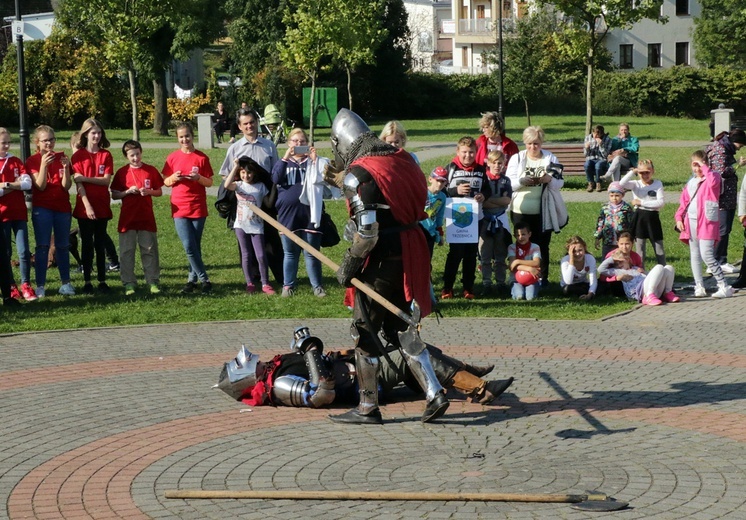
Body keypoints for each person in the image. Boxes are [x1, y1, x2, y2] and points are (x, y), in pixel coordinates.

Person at [323, 108, 451, 424]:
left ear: (342, 142)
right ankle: (434, 393)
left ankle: (367, 407)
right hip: (410, 252)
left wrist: (350, 265)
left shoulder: (359, 173)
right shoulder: (403, 159)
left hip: (380, 260)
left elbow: (368, 232)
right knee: (401, 328)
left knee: (364, 329)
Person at [216, 326, 513, 409]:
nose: (253, 357)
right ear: (243, 377)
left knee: (419, 350)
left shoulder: (274, 369)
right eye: (246, 362)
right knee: (413, 352)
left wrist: (313, 350)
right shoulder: (278, 385)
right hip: (364, 382)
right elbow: (321, 395)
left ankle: (469, 374)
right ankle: (481, 388)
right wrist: (310, 351)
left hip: (360, 366)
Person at [219, 106, 282, 283]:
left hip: (265, 201)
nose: (249, 126)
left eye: (252, 122)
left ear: (257, 123)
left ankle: (280, 276)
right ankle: (253, 278)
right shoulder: (235, 149)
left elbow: (276, 173)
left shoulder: (269, 146)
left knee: (271, 240)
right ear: (239, 127)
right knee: (246, 242)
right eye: (245, 124)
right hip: (244, 205)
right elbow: (225, 174)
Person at [505, 126, 566, 286]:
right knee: (521, 243)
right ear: (525, 143)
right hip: (520, 209)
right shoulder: (517, 158)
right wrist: (521, 181)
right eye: (530, 143)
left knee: (542, 244)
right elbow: (508, 183)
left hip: (543, 210)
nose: (533, 147)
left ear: (541, 143)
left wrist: (549, 179)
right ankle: (519, 276)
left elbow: (560, 183)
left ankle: (542, 278)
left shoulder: (550, 158)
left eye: (537, 144)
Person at [271, 128, 328, 298]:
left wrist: (315, 160)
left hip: (310, 212)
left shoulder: (313, 163)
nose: (298, 144)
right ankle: (288, 286)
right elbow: (275, 178)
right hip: (288, 214)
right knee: (290, 253)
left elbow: (326, 178)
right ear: (288, 144)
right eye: (295, 141)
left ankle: (317, 286)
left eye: (302, 141)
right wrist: (285, 157)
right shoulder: (283, 162)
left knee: (311, 252)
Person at [162, 122, 215, 294]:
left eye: (187, 136)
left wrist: (198, 178)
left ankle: (191, 280)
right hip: (179, 207)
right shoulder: (172, 158)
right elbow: (165, 181)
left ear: (193, 136)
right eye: (181, 137)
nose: (185, 139)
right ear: (178, 139)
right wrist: (174, 178)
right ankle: (204, 279)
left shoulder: (201, 158)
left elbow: (209, 182)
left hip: (198, 206)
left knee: (194, 245)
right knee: (188, 246)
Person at [674, 152, 733, 298]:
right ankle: (699, 285)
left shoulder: (713, 176)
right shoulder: (691, 182)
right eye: (694, 165)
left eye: (700, 165)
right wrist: (679, 218)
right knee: (694, 254)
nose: (697, 169)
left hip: (707, 221)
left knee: (707, 254)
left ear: (706, 164)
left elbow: (713, 184)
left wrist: (704, 167)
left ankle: (724, 285)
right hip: (691, 221)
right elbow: (684, 201)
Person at [26, 125, 74, 298]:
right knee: (42, 246)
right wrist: (44, 165)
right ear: (37, 142)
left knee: (62, 245)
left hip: (62, 207)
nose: (49, 143)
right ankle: (40, 285)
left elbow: (66, 186)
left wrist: (67, 169)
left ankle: (66, 283)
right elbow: (40, 186)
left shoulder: (62, 157)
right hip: (43, 208)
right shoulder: (32, 160)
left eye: (52, 139)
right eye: (45, 140)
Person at [110, 140, 164, 295]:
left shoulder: (150, 170)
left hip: (146, 218)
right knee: (127, 251)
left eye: (137, 154)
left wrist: (148, 192)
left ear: (141, 152)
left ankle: (152, 281)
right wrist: (127, 192)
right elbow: (114, 194)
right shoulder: (122, 173)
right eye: (132, 156)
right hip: (127, 219)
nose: (135, 158)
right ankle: (128, 282)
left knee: (149, 250)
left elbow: (159, 191)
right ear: (126, 156)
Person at [442, 136, 490, 300]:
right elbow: (440, 191)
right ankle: (447, 287)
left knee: (470, 254)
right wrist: (455, 191)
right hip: (456, 219)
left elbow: (488, 189)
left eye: (471, 152)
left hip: (475, 218)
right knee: (455, 253)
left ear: (476, 153)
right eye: (464, 152)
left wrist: (483, 195)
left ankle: (468, 287)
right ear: (458, 152)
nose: (467, 156)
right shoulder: (450, 168)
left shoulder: (481, 169)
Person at [71, 118, 115, 294]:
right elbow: (78, 184)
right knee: (87, 244)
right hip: (85, 207)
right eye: (93, 133)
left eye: (98, 133)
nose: (96, 136)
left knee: (100, 242)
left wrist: (85, 178)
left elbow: (105, 181)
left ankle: (102, 280)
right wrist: (87, 205)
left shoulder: (106, 155)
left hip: (102, 204)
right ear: (86, 134)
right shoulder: (78, 156)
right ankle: (87, 280)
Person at [224, 156, 274, 295]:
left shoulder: (261, 187)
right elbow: (226, 185)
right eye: (243, 173)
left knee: (260, 256)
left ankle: (265, 283)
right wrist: (235, 167)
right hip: (240, 225)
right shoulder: (239, 186)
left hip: (257, 226)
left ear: (255, 173)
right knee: (246, 255)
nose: (246, 176)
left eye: (249, 173)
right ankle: (250, 282)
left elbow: (269, 202)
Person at [0, 128, 36, 301]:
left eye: (8, 142)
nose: (6, 146)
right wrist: (15, 185)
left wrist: (7, 184)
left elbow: (27, 182)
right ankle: (11, 285)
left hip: (19, 214)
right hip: (3, 215)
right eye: (3, 143)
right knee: (5, 252)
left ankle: (26, 284)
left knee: (23, 251)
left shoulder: (15, 161)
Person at [705, 128, 746, 273]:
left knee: (724, 229)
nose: (740, 148)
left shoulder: (722, 147)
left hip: (725, 196)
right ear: (734, 141)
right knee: (722, 229)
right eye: (740, 145)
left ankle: (720, 259)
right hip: (721, 197)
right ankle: (716, 262)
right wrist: (737, 166)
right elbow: (720, 171)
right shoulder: (720, 150)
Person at [619, 159, 666, 266]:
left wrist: (641, 202)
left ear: (652, 171)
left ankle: (664, 270)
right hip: (639, 217)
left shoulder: (657, 184)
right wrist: (632, 171)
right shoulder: (636, 184)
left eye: (647, 172)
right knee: (640, 248)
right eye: (641, 172)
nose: (644, 175)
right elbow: (621, 183)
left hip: (652, 217)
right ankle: (640, 271)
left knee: (658, 247)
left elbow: (660, 203)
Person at [479, 150, 512, 295]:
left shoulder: (506, 180)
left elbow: (507, 201)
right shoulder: (483, 179)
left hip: (500, 219)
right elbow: (482, 202)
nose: (497, 166)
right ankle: (486, 282)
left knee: (500, 252)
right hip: (485, 219)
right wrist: (494, 202)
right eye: (494, 163)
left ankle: (500, 282)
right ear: (488, 163)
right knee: (485, 252)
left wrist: (490, 201)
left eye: (500, 163)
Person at [597, 250, 679, 306]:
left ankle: (667, 293)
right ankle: (649, 296)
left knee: (668, 268)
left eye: (621, 261)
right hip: (640, 292)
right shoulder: (618, 271)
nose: (619, 264)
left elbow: (654, 277)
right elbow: (600, 269)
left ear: (628, 260)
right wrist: (612, 259)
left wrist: (644, 272)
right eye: (616, 263)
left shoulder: (636, 268)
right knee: (659, 267)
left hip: (654, 290)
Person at [593, 181, 634, 259]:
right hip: (608, 238)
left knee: (622, 258)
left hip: (622, 239)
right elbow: (600, 222)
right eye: (611, 195)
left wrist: (631, 236)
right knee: (607, 257)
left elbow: (631, 223)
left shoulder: (626, 208)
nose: (614, 198)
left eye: (617, 195)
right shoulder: (605, 208)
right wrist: (598, 236)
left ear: (623, 195)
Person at [596, 231, 643, 297]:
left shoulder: (635, 256)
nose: (624, 247)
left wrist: (640, 270)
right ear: (617, 243)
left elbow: (639, 271)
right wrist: (616, 278)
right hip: (613, 280)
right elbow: (602, 276)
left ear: (632, 243)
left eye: (627, 244)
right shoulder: (612, 255)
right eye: (621, 244)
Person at [507, 222, 541, 301]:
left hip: (532, 279)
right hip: (516, 279)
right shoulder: (511, 247)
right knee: (519, 296)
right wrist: (529, 269)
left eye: (523, 234)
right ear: (514, 236)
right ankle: (515, 291)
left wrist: (517, 261)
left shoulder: (535, 247)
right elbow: (512, 267)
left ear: (529, 234)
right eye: (518, 235)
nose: (520, 237)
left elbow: (536, 263)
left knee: (530, 297)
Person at [559, 235, 596, 300]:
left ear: (585, 248)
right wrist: (571, 259)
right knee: (568, 289)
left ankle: (587, 294)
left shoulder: (590, 258)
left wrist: (591, 293)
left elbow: (593, 278)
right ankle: (583, 293)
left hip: (583, 283)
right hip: (569, 286)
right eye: (574, 251)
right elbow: (568, 281)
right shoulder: (565, 260)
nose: (578, 254)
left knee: (602, 284)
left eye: (580, 250)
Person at [583, 124, 612, 192]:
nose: (595, 136)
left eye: (597, 135)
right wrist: (586, 148)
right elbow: (585, 154)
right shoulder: (588, 138)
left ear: (601, 134)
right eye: (594, 134)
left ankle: (598, 183)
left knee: (598, 165)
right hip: (591, 158)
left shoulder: (607, 139)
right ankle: (591, 183)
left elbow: (606, 155)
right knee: (587, 164)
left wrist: (601, 145)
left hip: (602, 159)